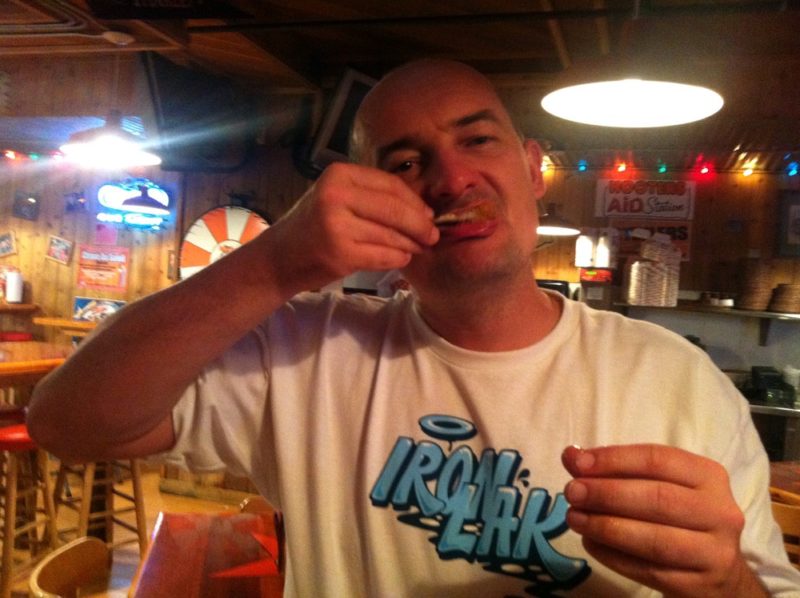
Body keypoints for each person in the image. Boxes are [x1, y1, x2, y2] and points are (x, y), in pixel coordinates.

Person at [28, 59, 799, 597]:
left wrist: (726, 584)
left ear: (533, 167)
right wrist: (274, 262)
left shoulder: (679, 378)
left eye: (477, 139)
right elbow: (65, 421)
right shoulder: (306, 350)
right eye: (404, 163)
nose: (452, 178)